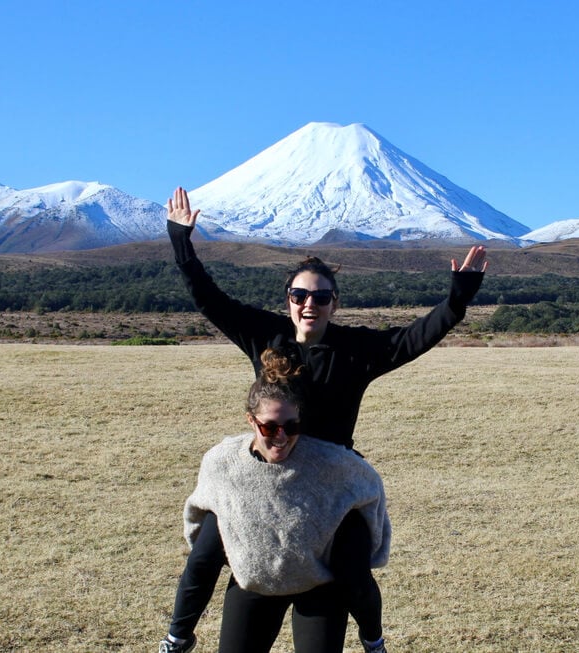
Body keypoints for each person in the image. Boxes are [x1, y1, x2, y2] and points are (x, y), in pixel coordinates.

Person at [159, 187, 487, 653]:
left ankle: (373, 639)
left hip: (330, 484)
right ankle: (177, 635)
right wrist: (181, 240)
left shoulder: (355, 350)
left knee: (352, 572)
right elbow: (208, 298)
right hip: (266, 479)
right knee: (209, 545)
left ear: (335, 303)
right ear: (288, 298)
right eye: (299, 294)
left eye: (321, 296)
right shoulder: (264, 336)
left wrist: (458, 299)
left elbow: (415, 337)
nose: (309, 303)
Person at [177, 347, 390, 653]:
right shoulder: (224, 463)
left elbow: (369, 486)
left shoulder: (328, 463)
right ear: (251, 421)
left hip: (319, 583)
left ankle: (375, 643)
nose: (280, 436)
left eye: (291, 427)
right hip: (257, 578)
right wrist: (178, 634)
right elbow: (201, 552)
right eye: (269, 427)